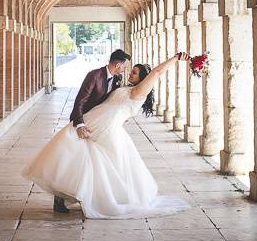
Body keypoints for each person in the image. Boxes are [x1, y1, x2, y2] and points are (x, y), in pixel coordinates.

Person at [22, 52, 190, 219]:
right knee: (76, 153)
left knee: (101, 163)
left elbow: (157, 72)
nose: (128, 72)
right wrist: (81, 122)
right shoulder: (123, 85)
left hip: (107, 127)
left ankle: (93, 197)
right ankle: (64, 195)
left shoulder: (140, 91)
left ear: (143, 78)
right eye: (128, 69)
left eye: (134, 72)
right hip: (93, 120)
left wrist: (176, 58)